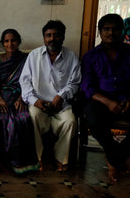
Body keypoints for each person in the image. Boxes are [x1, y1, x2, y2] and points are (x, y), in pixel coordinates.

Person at [81, 14, 130, 182]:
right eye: (106, 29)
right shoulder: (91, 56)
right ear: (100, 32)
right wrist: (108, 102)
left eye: (115, 29)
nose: (111, 33)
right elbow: (87, 87)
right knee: (93, 119)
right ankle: (119, 157)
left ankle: (114, 158)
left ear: (122, 32)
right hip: (101, 101)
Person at [20, 20, 81, 172]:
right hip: (39, 104)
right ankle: (38, 157)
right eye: (48, 35)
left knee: (71, 121)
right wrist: (35, 101)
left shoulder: (71, 57)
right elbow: (25, 82)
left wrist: (61, 96)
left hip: (61, 104)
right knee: (32, 116)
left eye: (56, 35)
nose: (52, 39)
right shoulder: (34, 56)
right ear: (44, 38)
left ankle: (61, 158)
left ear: (63, 37)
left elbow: (74, 83)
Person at [0, 29, 39, 174]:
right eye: (6, 41)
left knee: (23, 117)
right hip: (2, 96)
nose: (10, 44)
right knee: (4, 118)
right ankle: (6, 160)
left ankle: (23, 161)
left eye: (13, 40)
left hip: (21, 94)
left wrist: (22, 98)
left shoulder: (26, 59)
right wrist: (0, 100)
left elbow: (30, 80)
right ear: (2, 43)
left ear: (18, 42)